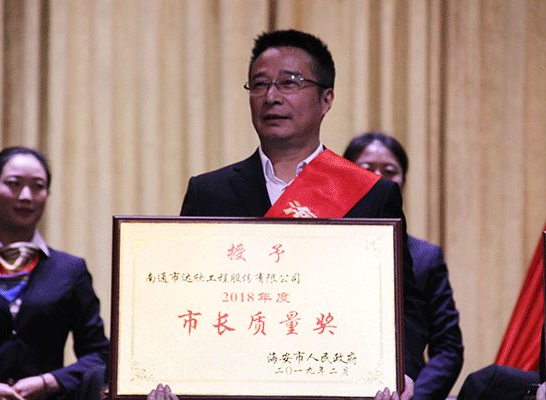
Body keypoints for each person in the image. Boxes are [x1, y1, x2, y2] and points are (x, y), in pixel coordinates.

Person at [180, 29, 428, 400]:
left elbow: (405, 302)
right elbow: (186, 296)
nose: (271, 96)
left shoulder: (372, 194)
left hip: (335, 385)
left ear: (326, 99)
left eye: (289, 82)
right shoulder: (209, 192)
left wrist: (401, 371)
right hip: (235, 387)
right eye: (259, 84)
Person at [0, 147, 109, 400]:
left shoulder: (70, 270)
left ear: (47, 195)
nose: (26, 196)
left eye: (37, 186)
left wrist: (50, 382)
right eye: (14, 184)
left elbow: (99, 353)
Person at [343, 132, 464, 400]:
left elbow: (448, 348)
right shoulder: (323, 247)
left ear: (403, 182)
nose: (379, 178)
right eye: (366, 168)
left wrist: (414, 395)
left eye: (390, 171)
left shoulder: (424, 257)